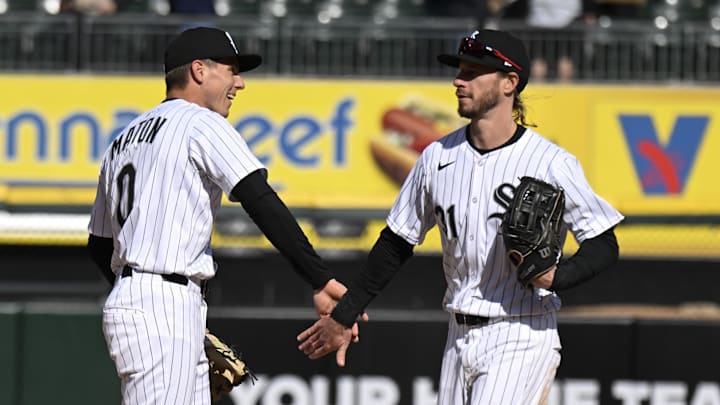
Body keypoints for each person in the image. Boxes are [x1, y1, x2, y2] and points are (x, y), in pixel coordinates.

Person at [297, 28, 623, 404]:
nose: (458, 80)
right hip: (458, 335)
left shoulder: (551, 163)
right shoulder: (436, 156)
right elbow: (396, 242)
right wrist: (345, 314)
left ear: (509, 83)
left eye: (472, 72)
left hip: (520, 332)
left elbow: (603, 242)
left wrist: (558, 276)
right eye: (460, 70)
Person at [87, 26, 357, 404]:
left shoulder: (123, 138)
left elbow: (100, 244)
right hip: (162, 304)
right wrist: (319, 277)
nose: (240, 83)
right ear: (199, 70)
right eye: (231, 70)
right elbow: (258, 197)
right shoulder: (201, 122)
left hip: (148, 299)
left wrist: (138, 293)